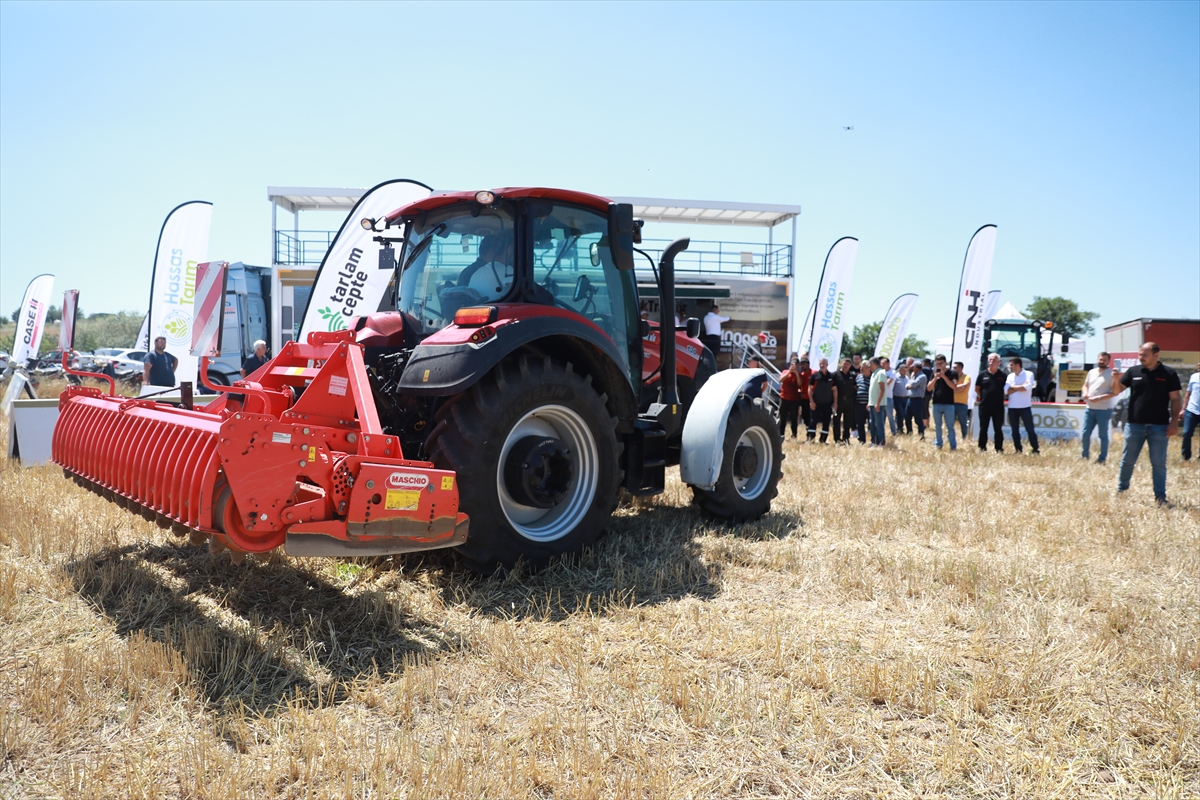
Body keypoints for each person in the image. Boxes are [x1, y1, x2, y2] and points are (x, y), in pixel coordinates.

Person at [1117, 342, 1182, 505]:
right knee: (1127, 460)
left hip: (1159, 426)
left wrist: (1174, 422)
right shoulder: (1133, 372)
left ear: (1156, 355)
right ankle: (1121, 492)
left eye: (1144, 355)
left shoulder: (1168, 373)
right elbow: (1117, 390)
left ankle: (1160, 498)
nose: (1141, 358)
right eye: (1139, 354)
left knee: (1158, 463)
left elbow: (1175, 399)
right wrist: (1115, 379)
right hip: (1134, 425)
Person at [1080, 351, 1117, 463]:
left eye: (1104, 360)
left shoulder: (1111, 375)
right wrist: (1084, 393)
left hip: (1103, 410)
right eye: (1100, 359)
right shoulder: (1091, 372)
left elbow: (1115, 392)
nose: (1102, 361)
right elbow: (1085, 385)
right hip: (1089, 409)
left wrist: (1099, 398)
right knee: (1085, 433)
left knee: (1102, 436)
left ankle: (1102, 458)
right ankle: (1084, 456)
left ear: (1108, 361)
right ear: (1097, 359)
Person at [1005, 357, 1039, 454]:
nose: (1009, 367)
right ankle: (1018, 449)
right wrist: (1019, 387)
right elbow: (1005, 390)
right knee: (1014, 431)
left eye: (1011, 365)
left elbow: (1026, 388)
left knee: (1030, 430)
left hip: (1025, 407)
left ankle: (1035, 449)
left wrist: (1013, 387)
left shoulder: (1029, 374)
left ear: (1017, 365)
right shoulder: (1010, 376)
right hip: (1012, 408)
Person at [975, 353, 1006, 452]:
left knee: (998, 429)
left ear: (999, 362)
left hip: (998, 407)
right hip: (984, 406)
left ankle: (999, 448)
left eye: (994, 359)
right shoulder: (982, 375)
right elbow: (977, 389)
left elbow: (1006, 389)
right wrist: (984, 397)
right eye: (990, 359)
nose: (991, 361)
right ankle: (982, 447)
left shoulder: (1003, 375)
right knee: (983, 428)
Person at [929, 355, 959, 450]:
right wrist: (935, 378)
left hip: (949, 404)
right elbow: (929, 388)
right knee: (938, 426)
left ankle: (953, 446)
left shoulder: (953, 373)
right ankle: (938, 444)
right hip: (936, 403)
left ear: (945, 362)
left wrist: (944, 377)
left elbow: (954, 387)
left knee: (950, 426)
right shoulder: (934, 373)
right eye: (937, 364)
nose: (939, 365)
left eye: (941, 363)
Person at [809, 357, 838, 443]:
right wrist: (811, 402)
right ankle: (811, 439)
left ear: (827, 364)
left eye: (823, 363)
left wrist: (835, 403)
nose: (822, 365)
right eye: (820, 364)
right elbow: (810, 389)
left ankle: (823, 440)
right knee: (813, 421)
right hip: (816, 403)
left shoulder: (832, 376)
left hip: (828, 404)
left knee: (826, 422)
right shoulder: (815, 376)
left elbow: (835, 390)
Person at [833, 358, 858, 443]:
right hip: (838, 400)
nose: (846, 365)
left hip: (849, 401)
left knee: (847, 421)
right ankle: (837, 439)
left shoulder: (853, 375)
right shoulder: (835, 375)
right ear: (841, 364)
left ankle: (846, 439)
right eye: (844, 363)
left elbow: (855, 387)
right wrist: (834, 402)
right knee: (836, 420)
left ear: (850, 366)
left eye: (848, 364)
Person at [1181, 360, 1200, 461]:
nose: (1199, 365)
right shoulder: (1194, 377)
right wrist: (1183, 409)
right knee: (1186, 432)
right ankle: (1185, 456)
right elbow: (1188, 394)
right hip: (1192, 410)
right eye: (1198, 364)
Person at [778, 357, 802, 439]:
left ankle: (794, 435)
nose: (793, 366)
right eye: (792, 364)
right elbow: (780, 380)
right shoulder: (785, 371)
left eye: (795, 365)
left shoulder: (799, 374)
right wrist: (789, 372)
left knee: (793, 419)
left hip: (794, 399)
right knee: (782, 418)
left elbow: (800, 384)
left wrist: (796, 373)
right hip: (784, 398)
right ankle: (781, 434)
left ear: (798, 365)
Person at [905, 362, 928, 440]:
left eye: (913, 367)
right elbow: (907, 385)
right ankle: (909, 432)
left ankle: (921, 434)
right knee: (907, 416)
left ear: (917, 367)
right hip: (910, 398)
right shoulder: (914, 376)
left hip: (918, 400)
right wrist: (909, 384)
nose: (912, 369)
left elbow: (914, 384)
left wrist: (910, 381)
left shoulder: (922, 376)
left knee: (918, 418)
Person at [868, 357, 888, 446]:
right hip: (872, 403)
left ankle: (881, 442)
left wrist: (878, 403)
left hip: (878, 404)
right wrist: (870, 402)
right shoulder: (873, 374)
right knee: (872, 423)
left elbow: (882, 389)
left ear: (872, 363)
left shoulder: (881, 373)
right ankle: (874, 441)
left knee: (879, 424)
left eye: (869, 364)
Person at [854, 360, 872, 445]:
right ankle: (861, 440)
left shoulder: (873, 377)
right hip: (859, 404)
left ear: (868, 368)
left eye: (863, 367)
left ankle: (873, 439)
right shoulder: (858, 377)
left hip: (869, 404)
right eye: (861, 367)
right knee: (860, 423)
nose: (861, 368)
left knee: (871, 423)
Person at [953, 361, 971, 438]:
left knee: (963, 422)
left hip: (962, 404)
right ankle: (949, 437)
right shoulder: (952, 377)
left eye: (955, 367)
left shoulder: (967, 377)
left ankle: (964, 437)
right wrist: (958, 388)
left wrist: (954, 388)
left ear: (960, 368)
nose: (953, 369)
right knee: (950, 423)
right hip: (951, 403)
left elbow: (965, 386)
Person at [881, 357, 898, 435]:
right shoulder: (880, 372)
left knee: (890, 416)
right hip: (880, 396)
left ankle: (893, 431)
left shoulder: (892, 372)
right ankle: (881, 432)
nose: (882, 365)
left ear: (888, 363)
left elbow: (887, 383)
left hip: (888, 397)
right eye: (881, 363)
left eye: (884, 363)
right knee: (881, 416)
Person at [893, 364, 910, 435]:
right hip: (897, 398)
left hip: (906, 398)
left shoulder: (907, 378)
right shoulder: (895, 377)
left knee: (905, 414)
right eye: (903, 370)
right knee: (900, 413)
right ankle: (899, 429)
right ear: (899, 370)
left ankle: (902, 428)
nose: (904, 372)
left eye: (906, 371)